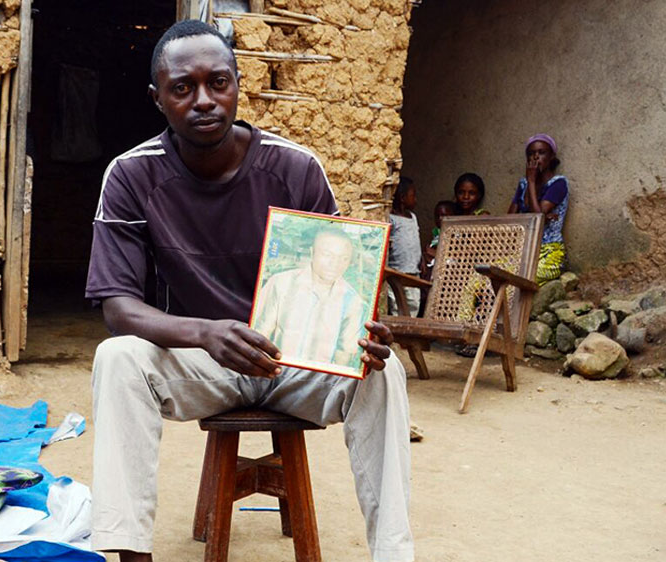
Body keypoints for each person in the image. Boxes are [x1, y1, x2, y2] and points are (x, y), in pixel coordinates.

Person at [84, 20, 413, 562]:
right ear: (157, 99)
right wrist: (205, 333)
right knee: (117, 358)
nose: (204, 100)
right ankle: (130, 554)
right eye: (182, 88)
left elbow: (348, 276)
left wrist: (367, 334)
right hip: (201, 361)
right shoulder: (132, 175)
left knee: (385, 375)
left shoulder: (295, 167)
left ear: (239, 83)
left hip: (296, 362)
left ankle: (394, 555)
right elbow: (118, 308)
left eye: (218, 82)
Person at [252, 228, 366, 369]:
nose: (335, 264)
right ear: (312, 253)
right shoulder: (281, 283)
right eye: (327, 255)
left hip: (319, 380)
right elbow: (260, 333)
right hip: (272, 370)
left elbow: (344, 355)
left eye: (344, 258)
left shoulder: (353, 301)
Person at [507, 133, 569, 284]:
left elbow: (537, 219)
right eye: (531, 154)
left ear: (551, 157)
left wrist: (532, 181)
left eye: (541, 153)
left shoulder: (558, 184)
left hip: (550, 255)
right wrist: (529, 183)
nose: (535, 157)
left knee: (512, 282)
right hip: (524, 252)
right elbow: (510, 220)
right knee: (478, 280)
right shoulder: (523, 184)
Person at [387, 177, 421, 316]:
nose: (416, 199)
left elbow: (415, 240)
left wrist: (422, 261)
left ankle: (408, 334)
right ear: (402, 198)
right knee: (397, 306)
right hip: (397, 272)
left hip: (414, 272)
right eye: (413, 195)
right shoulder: (392, 219)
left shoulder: (412, 217)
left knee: (413, 305)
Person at [420, 199, 457, 280]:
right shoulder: (436, 235)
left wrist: (435, 254)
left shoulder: (457, 236)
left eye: (444, 215)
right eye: (437, 216)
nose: (440, 218)